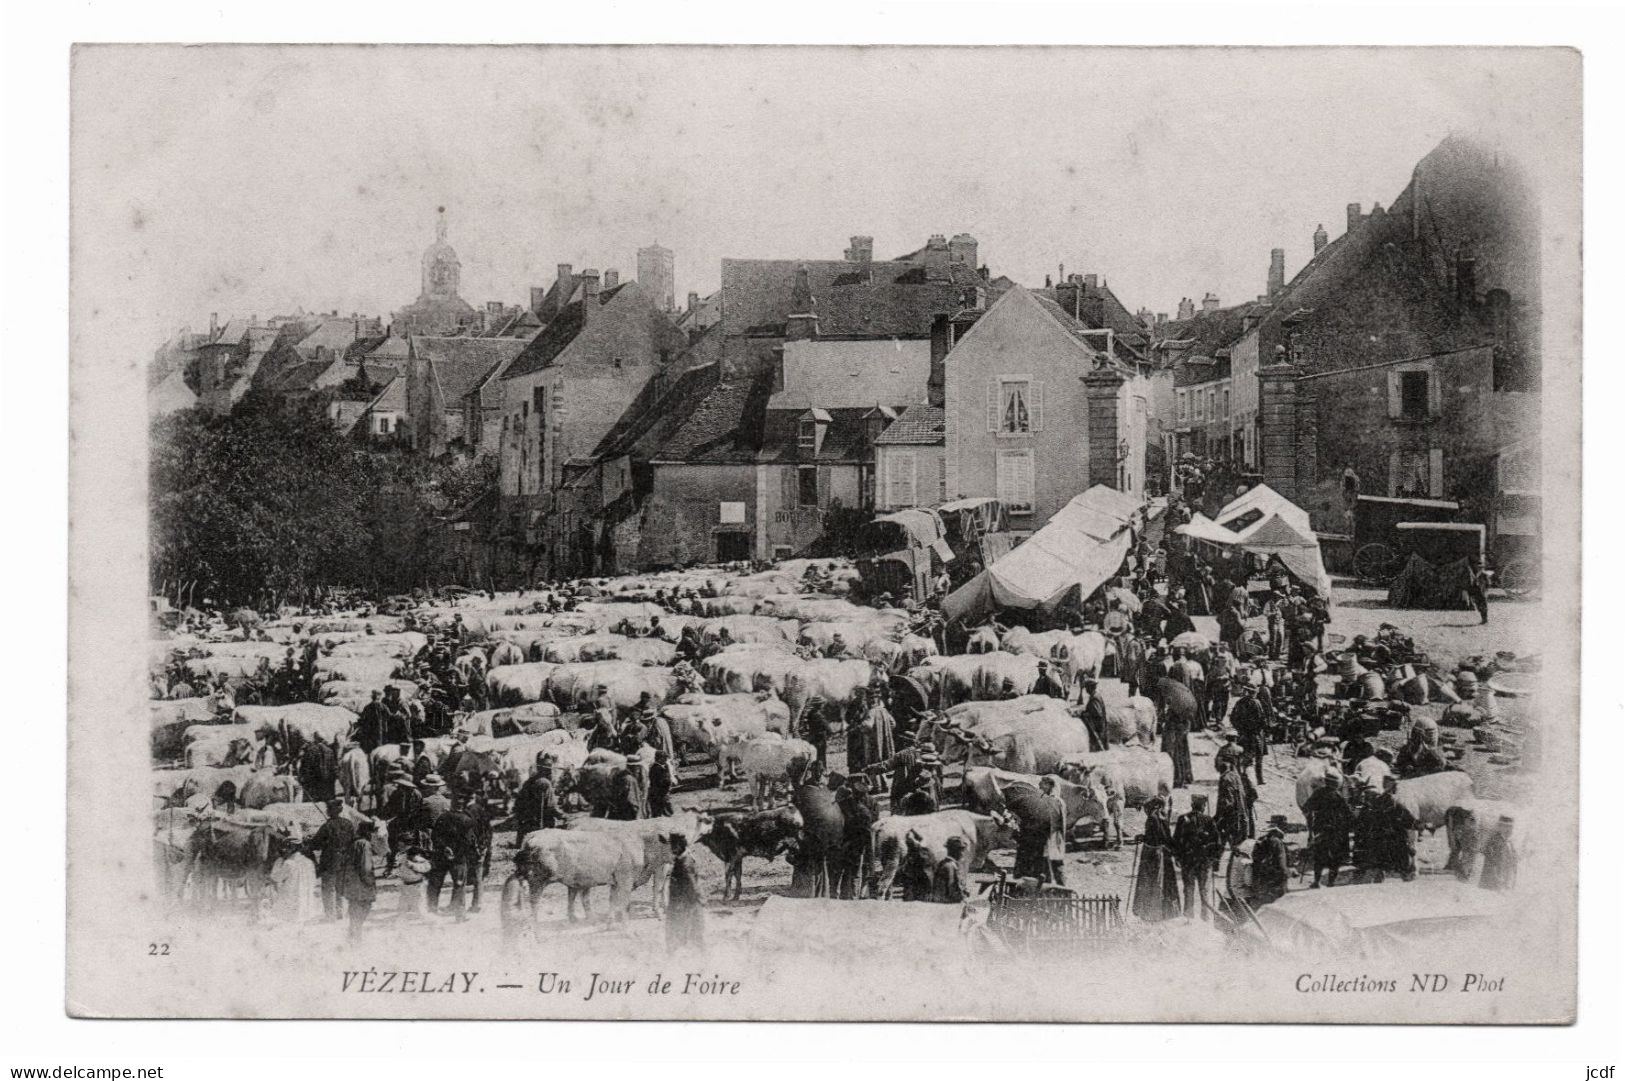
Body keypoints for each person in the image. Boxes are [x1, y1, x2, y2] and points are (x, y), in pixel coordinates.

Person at [427, 792, 481, 918]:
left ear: (452, 804)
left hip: (441, 855)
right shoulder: (467, 820)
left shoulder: (443, 817)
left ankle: (431, 910)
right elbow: (470, 841)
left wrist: (445, 847)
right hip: (459, 857)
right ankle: (460, 914)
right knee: (459, 884)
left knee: (435, 883)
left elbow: (434, 836)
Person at [1354, 775, 1417, 883]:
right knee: (1401, 857)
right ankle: (1405, 876)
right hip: (1394, 836)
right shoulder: (1394, 801)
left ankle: (1381, 874)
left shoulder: (1376, 802)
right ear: (1391, 786)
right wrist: (1418, 825)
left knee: (1382, 858)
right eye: (1395, 785)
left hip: (1379, 837)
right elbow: (1407, 818)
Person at [1132, 794, 1182, 922]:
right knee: (1161, 883)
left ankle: (1151, 913)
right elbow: (1161, 836)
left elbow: (1158, 837)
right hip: (1158, 852)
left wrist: (1143, 838)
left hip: (1152, 854)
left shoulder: (1153, 817)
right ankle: (1163, 913)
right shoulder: (1160, 816)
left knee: (1152, 882)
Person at [1173, 794, 1222, 920]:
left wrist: (1177, 857)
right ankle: (1205, 917)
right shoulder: (1209, 820)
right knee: (1204, 890)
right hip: (1204, 862)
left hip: (1187, 861)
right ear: (1204, 806)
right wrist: (1214, 860)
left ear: (1192, 804)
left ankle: (1189, 917)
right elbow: (1218, 843)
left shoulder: (1182, 819)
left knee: (1188, 890)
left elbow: (1176, 841)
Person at [308, 799, 356, 921]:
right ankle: (340, 913)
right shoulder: (348, 824)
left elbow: (315, 844)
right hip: (345, 861)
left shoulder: (327, 826)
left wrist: (308, 840)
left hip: (330, 861)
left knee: (328, 889)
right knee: (340, 888)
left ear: (329, 811)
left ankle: (330, 915)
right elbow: (353, 841)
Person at [834, 774, 878, 899]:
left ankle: (847, 896)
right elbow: (874, 822)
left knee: (849, 871)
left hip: (850, 841)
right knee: (862, 870)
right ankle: (857, 896)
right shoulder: (873, 802)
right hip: (865, 841)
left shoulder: (844, 803)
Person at [1152, 677, 1197, 788]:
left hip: (1175, 729)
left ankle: (1176, 778)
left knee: (1172, 752)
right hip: (1184, 727)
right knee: (1182, 751)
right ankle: (1185, 777)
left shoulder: (1171, 698)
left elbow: (1164, 714)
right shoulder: (1182, 697)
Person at [665, 834, 706, 950]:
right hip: (684, 905)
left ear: (677, 846)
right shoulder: (684, 860)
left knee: (686, 935)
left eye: (672, 845)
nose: (670, 849)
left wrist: (697, 901)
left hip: (683, 906)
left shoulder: (685, 863)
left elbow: (692, 886)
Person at [511, 754, 559, 846]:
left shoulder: (529, 781)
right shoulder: (546, 783)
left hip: (527, 819)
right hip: (540, 821)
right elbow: (551, 806)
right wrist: (561, 815)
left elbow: (519, 801)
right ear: (548, 770)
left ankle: (519, 844)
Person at [343, 819, 378, 942]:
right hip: (361, 884)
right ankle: (355, 937)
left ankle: (352, 936)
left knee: (354, 910)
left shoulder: (354, 843)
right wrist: (369, 883)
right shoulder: (365, 844)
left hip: (351, 882)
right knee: (364, 908)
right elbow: (366, 867)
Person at [1229, 681, 1269, 785]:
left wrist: (1239, 729)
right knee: (1258, 757)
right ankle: (1259, 779)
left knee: (1245, 756)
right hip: (1256, 735)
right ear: (1254, 692)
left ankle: (1243, 776)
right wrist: (1266, 728)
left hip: (1243, 734)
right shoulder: (1256, 703)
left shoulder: (1240, 702)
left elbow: (1233, 718)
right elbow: (1262, 720)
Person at [1214, 756, 1258, 849]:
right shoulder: (1236, 776)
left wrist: (1218, 817)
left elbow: (1227, 802)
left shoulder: (1226, 779)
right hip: (1241, 817)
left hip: (1231, 819)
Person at [1250, 816, 1291, 905]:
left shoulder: (1261, 840)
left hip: (1261, 875)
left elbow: (1254, 856)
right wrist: (1287, 872)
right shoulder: (1278, 842)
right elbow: (1281, 862)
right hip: (1274, 875)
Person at [1040, 776, 1068, 885]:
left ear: (1050, 785)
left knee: (1054, 865)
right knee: (1050, 866)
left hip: (1051, 837)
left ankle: (1062, 891)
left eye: (1042, 784)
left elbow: (1053, 821)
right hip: (1051, 837)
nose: (1039, 786)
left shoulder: (1053, 801)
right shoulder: (1054, 800)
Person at [1479, 816, 1518, 891]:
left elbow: (1511, 861)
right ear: (1499, 827)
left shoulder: (1509, 843)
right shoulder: (1495, 841)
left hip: (1501, 882)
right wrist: (1498, 879)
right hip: (1492, 883)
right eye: (1506, 826)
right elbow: (1492, 862)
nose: (1509, 829)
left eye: (1510, 827)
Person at [932, 836, 968, 903]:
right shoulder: (950, 866)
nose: (963, 853)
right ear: (955, 851)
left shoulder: (945, 863)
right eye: (961, 850)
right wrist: (963, 896)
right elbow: (952, 889)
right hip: (947, 905)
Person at [1077, 677, 1110, 752]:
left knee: (1098, 745)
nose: (1086, 690)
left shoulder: (1094, 698)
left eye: (1087, 688)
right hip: (1100, 724)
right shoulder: (1096, 695)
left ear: (1090, 688)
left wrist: (1085, 714)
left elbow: (1097, 713)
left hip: (1097, 726)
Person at [647, 750, 675, 818]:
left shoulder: (658, 767)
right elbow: (662, 781)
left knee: (663, 812)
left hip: (659, 793)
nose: (666, 760)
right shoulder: (657, 768)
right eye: (664, 758)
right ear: (659, 758)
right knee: (662, 812)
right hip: (659, 793)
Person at [1466, 559, 1491, 625]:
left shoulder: (1484, 574)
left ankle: (1485, 620)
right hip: (1477, 592)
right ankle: (1483, 619)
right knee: (1479, 605)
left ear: (1482, 567)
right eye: (1478, 567)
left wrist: (1485, 589)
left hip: (1482, 592)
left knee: (1484, 606)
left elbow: (1489, 583)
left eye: (1481, 567)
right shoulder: (1477, 574)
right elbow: (1474, 583)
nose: (1479, 568)